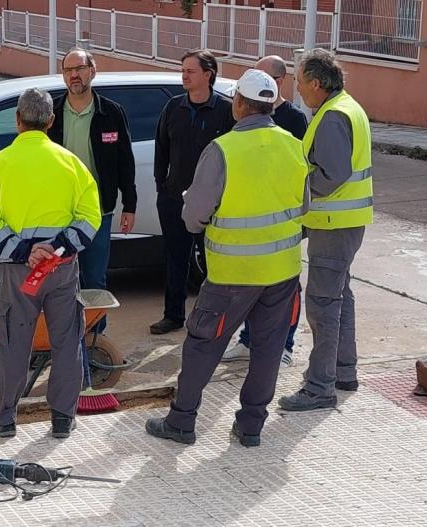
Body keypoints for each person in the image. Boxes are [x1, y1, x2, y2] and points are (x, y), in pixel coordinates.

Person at [145, 69, 308, 447]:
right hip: (282, 272)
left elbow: (193, 216)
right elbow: (304, 206)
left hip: (233, 274)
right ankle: (251, 427)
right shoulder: (293, 145)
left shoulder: (223, 149)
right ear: (270, 104)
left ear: (237, 103)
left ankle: (182, 422)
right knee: (267, 351)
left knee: (203, 345)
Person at [0, 88, 102, 440]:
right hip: (62, 269)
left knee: (13, 343)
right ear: (51, 121)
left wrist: (25, 252)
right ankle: (63, 418)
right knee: (66, 341)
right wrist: (58, 249)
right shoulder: (71, 163)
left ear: (17, 120)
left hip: (18, 272)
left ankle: (4, 418)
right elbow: (90, 218)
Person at [278, 49, 373, 412]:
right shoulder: (346, 107)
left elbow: (331, 176)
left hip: (333, 224)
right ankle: (343, 371)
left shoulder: (333, 117)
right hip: (343, 223)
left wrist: (295, 192)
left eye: (301, 83)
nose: (299, 90)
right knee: (338, 297)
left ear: (317, 83)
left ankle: (319, 387)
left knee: (322, 305)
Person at [223, 55, 309, 367]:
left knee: (286, 289)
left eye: (260, 76)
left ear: (278, 82)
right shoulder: (240, 120)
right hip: (251, 224)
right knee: (251, 287)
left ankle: (284, 344)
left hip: (282, 224)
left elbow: (301, 174)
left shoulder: (294, 119)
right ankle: (248, 341)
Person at [46, 47, 136, 334]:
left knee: (95, 279)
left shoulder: (110, 112)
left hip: (99, 211)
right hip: (59, 211)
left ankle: (96, 340)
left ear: (92, 71)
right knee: (59, 279)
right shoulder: (53, 113)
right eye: (68, 70)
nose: (74, 75)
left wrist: (129, 204)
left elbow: (125, 160)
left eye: (79, 68)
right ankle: (64, 337)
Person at [151, 49, 235, 335]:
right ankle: (173, 315)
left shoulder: (225, 111)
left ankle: (214, 317)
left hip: (212, 204)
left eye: (190, 71)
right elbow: (161, 150)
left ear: (208, 74)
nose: (184, 76)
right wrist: (162, 187)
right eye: (182, 70)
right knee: (175, 260)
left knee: (213, 263)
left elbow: (234, 156)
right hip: (175, 200)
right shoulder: (174, 107)